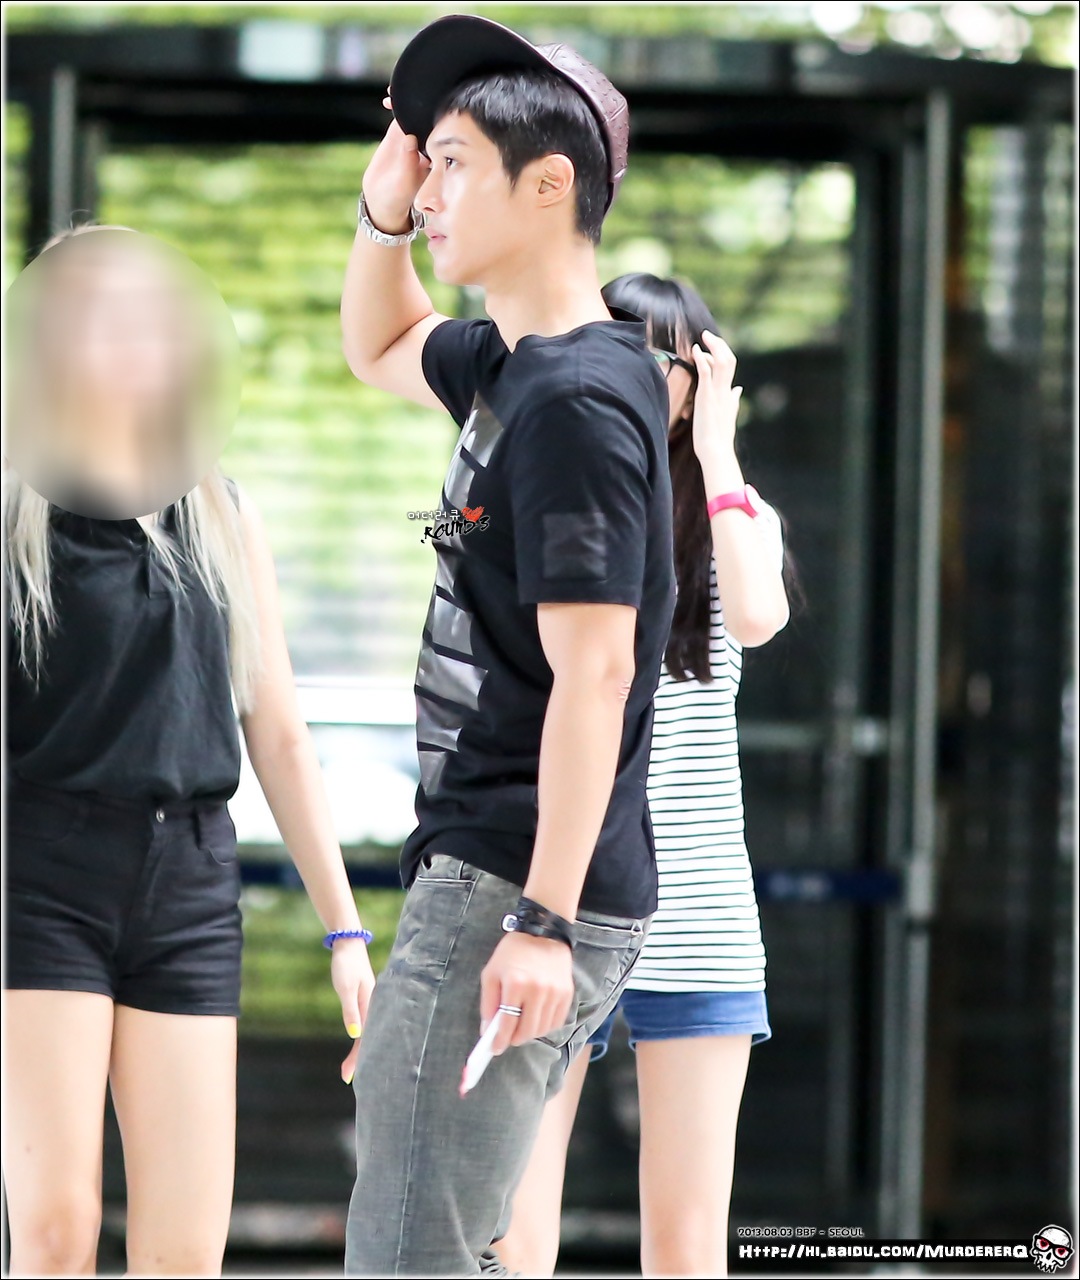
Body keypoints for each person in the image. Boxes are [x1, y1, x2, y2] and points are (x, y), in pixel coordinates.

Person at [337, 14, 677, 1277]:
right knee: (445, 1244)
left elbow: (599, 670)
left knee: (411, 1252)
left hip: (511, 885)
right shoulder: (517, 366)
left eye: (453, 164)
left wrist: (541, 918)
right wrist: (383, 206)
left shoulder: (576, 399)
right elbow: (377, 343)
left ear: (548, 186)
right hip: (495, 873)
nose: (428, 191)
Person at [2, 223, 376, 1278]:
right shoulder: (15, 506)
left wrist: (345, 929)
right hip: (40, 876)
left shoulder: (219, 505)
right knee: (56, 1231)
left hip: (190, 881)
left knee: (183, 1250)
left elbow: (279, 731)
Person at [495, 274, 792, 1279]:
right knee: (511, 1231)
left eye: (649, 355)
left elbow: (758, 615)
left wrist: (717, 449)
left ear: (698, 374)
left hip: (699, 909)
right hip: (564, 899)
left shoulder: (735, 513)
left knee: (686, 1243)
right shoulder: (564, 499)